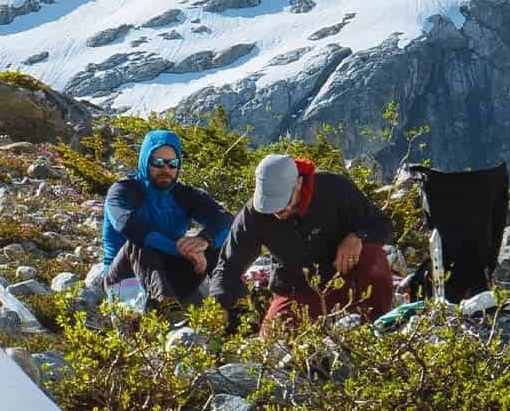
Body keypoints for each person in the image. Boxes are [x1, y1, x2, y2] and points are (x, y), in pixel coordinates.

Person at [213, 150, 397, 333]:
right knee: (275, 343)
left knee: (372, 257)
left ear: (299, 183)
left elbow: (383, 225)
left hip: (345, 276)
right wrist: (218, 303)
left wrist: (358, 237)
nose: (278, 212)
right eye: (270, 205)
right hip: (297, 288)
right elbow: (229, 264)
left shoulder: (334, 189)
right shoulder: (254, 215)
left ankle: (379, 326)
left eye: (283, 202)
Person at [99, 128, 233, 309]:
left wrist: (204, 240)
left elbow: (224, 219)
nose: (166, 169)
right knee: (139, 244)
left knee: (216, 248)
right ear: (145, 161)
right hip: (126, 280)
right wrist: (180, 249)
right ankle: (168, 312)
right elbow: (127, 225)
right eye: (158, 162)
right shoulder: (123, 191)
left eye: (172, 163)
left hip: (169, 277)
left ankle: (233, 311)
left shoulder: (184, 194)